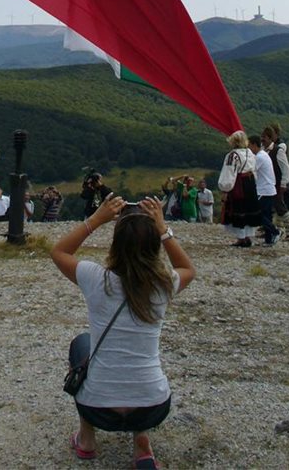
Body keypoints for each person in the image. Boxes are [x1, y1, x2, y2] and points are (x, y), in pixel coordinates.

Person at [51, 193, 195, 470]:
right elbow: (188, 268)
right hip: (152, 408)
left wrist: (96, 220)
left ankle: (87, 440)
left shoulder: (96, 278)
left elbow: (59, 252)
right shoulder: (163, 285)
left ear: (116, 244)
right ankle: (142, 444)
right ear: (154, 245)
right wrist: (163, 228)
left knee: (82, 344)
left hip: (99, 409)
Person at [218, 131, 260, 248]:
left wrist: (225, 188)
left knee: (239, 209)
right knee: (248, 209)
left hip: (239, 184)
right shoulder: (250, 153)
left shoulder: (233, 155)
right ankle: (247, 237)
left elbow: (229, 173)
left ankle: (241, 238)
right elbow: (254, 170)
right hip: (250, 184)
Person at [263, 124, 289, 243]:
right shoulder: (266, 150)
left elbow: (286, 168)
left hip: (277, 182)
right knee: (272, 206)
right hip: (269, 182)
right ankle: (272, 229)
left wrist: (283, 183)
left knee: (279, 205)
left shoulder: (279, 149)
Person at [250, 134, 280, 246]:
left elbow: (251, 170)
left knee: (257, 214)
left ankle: (275, 231)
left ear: (254, 145)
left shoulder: (259, 157)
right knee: (266, 215)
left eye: (249, 146)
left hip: (263, 190)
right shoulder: (264, 155)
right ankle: (269, 239)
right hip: (269, 189)